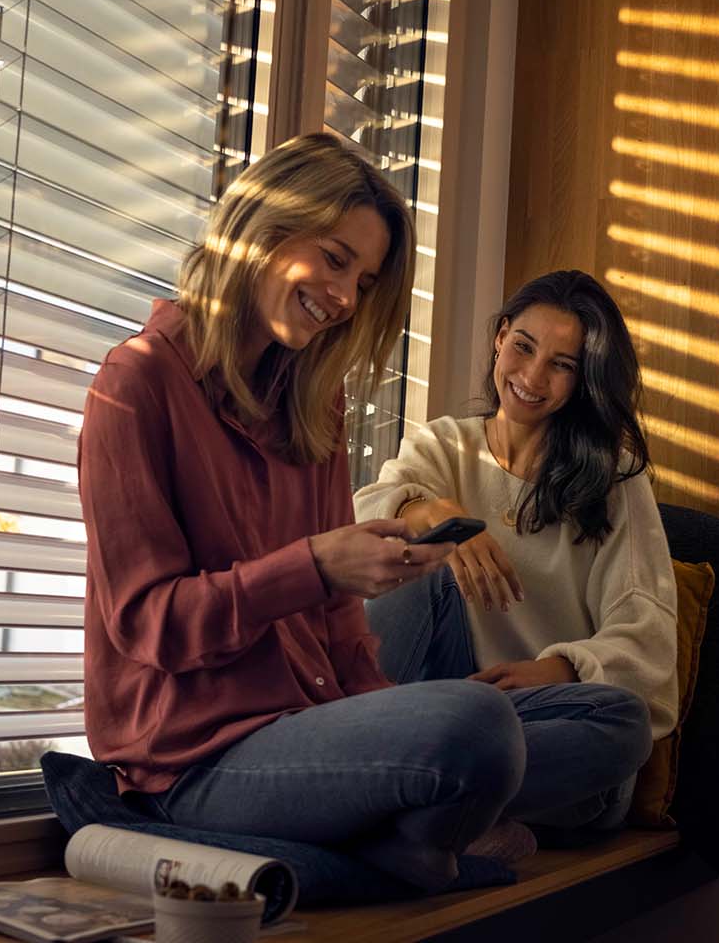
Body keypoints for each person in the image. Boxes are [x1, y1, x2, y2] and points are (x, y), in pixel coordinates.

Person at [78, 134, 612, 889]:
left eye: (362, 281)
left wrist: (390, 723)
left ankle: (394, 828)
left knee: (608, 722)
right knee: (481, 726)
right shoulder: (135, 386)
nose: (345, 298)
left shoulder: (312, 401)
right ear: (262, 227)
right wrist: (315, 566)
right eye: (334, 259)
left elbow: (337, 629)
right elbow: (146, 625)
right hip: (191, 762)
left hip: (306, 727)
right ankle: (414, 834)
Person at [354, 270, 676, 833]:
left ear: (583, 379)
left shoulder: (616, 482)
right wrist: (438, 516)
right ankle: (434, 813)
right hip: (442, 707)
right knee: (419, 560)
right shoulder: (443, 446)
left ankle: (393, 796)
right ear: (501, 337)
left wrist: (559, 670)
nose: (532, 376)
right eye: (524, 347)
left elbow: (647, 635)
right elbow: (365, 524)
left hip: (539, 722)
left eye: (561, 364)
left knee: (622, 725)